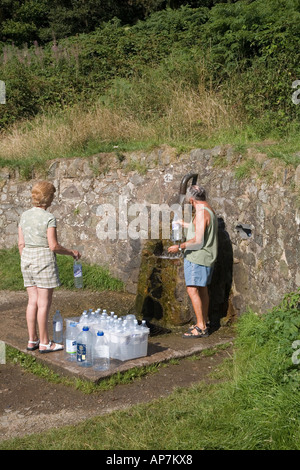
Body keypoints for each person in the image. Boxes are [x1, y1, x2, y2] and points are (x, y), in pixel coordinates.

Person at [18, 181, 81, 353]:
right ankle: (45, 343)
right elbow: (53, 246)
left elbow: (21, 244)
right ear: (49, 198)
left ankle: (32, 340)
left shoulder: (24, 216)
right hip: (43, 261)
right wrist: (71, 252)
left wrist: (26, 260)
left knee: (32, 302)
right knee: (43, 304)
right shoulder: (48, 218)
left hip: (27, 260)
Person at [168, 185, 218, 338]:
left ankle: (201, 327)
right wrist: (185, 224)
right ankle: (204, 321)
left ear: (191, 200)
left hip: (198, 257)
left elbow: (198, 240)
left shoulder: (202, 213)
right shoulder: (207, 209)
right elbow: (200, 228)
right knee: (202, 289)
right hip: (206, 257)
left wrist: (179, 246)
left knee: (192, 290)